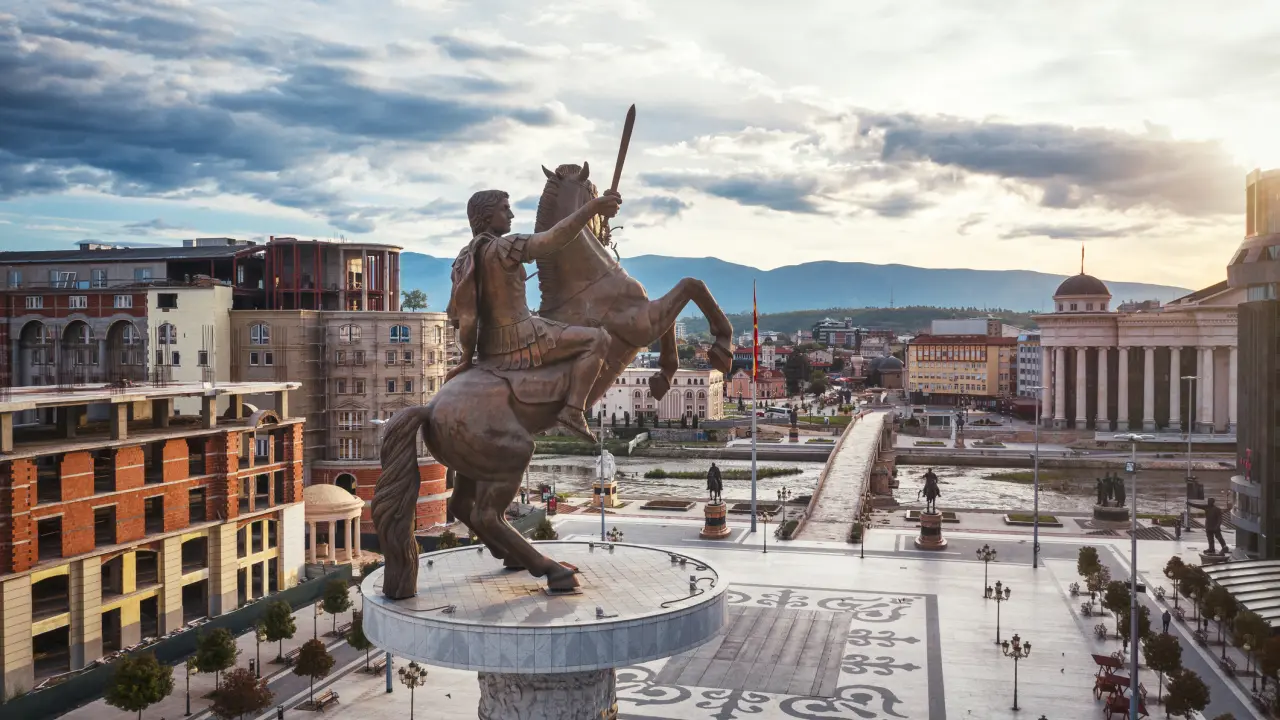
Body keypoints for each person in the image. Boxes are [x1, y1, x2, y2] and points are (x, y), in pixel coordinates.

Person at [446, 187, 621, 441]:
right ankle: (573, 410)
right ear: (486, 215)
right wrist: (592, 208)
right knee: (599, 339)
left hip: (487, 345)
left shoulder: (464, 258)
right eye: (505, 209)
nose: (511, 215)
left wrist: (466, 357)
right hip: (521, 336)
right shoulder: (505, 247)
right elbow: (553, 239)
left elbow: (464, 317)